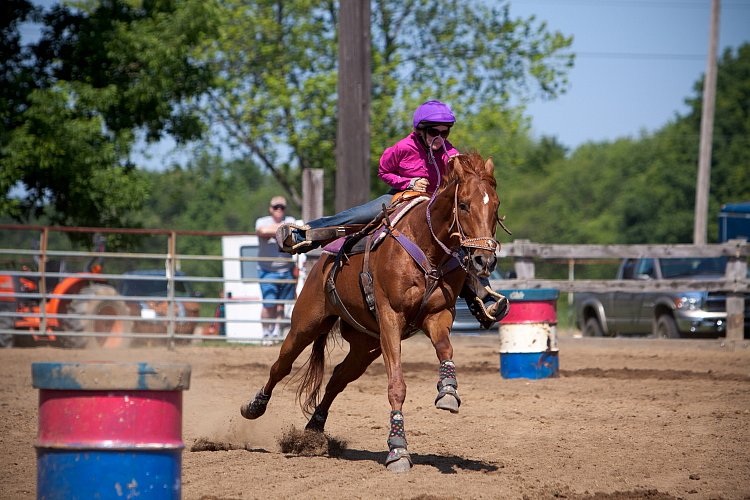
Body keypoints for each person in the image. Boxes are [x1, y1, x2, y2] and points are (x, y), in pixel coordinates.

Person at [275, 100, 508, 328]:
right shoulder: (402, 148)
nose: (440, 138)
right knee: (360, 215)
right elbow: (384, 171)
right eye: (434, 132)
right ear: (421, 130)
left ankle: (483, 296)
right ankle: (306, 233)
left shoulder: (450, 153)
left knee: (461, 244)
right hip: (401, 197)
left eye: (445, 132)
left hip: (433, 207)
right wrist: (408, 182)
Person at [255, 196, 297, 343]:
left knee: (281, 303)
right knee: (269, 303)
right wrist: (283, 230)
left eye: (282, 207)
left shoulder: (290, 219)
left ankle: (276, 332)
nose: (279, 210)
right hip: (267, 270)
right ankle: (266, 333)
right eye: (276, 207)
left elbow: (295, 230)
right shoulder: (262, 221)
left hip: (286, 270)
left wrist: (274, 231)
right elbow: (262, 230)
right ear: (270, 209)